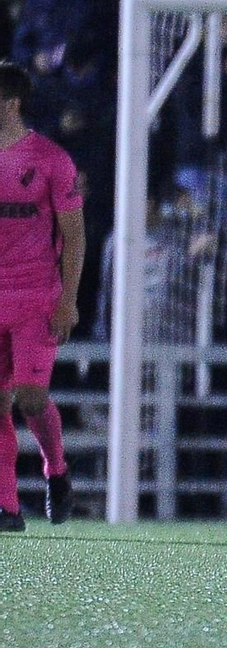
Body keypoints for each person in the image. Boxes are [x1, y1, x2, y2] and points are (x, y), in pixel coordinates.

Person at [0, 62, 85, 530]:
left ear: (11, 104)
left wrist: (67, 300)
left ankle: (56, 469)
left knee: (31, 398)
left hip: (35, 297)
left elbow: (74, 235)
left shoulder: (51, 160)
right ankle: (7, 507)